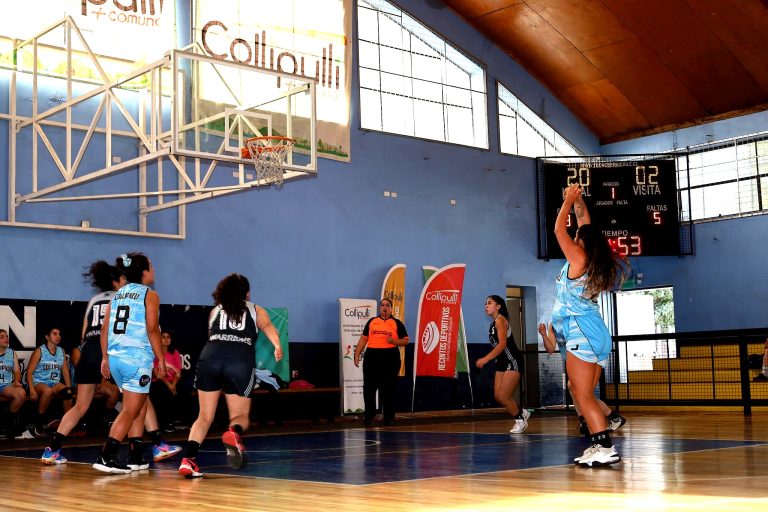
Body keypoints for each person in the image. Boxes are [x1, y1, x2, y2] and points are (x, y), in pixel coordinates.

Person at [549, 184, 627, 467]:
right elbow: (585, 223)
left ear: (580, 240)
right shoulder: (590, 258)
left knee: (582, 394)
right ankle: (598, 443)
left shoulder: (579, 258)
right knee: (579, 389)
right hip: (595, 332)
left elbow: (559, 231)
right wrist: (579, 197)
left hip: (581, 331)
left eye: (578, 234)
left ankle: (604, 446)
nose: (575, 233)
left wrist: (568, 201)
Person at [178, 273, 283, 479]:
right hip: (239, 360)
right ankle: (233, 432)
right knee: (241, 416)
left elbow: (211, 336)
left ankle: (188, 460)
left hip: (210, 357)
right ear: (247, 293)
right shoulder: (255, 309)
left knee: (204, 416)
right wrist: (277, 346)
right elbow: (269, 328)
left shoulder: (216, 310)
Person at [41, 261, 123, 464]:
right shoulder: (121, 297)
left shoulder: (94, 300)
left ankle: (52, 449)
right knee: (137, 400)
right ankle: (150, 445)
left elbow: (84, 333)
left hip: (88, 351)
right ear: (115, 281)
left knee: (80, 406)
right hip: (109, 350)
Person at [93, 252, 166, 474]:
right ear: (144, 273)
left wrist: (105, 357)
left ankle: (135, 455)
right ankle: (107, 456)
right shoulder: (150, 295)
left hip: (115, 357)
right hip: (135, 358)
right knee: (130, 409)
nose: (154, 269)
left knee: (138, 405)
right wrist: (160, 358)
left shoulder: (117, 295)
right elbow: (152, 329)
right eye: (151, 266)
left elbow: (104, 329)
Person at [538, 323, 625, 435]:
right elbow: (550, 349)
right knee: (574, 388)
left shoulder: (575, 319)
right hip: (578, 360)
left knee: (583, 392)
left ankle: (606, 422)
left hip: (591, 356)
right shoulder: (553, 324)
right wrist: (544, 335)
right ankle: (588, 420)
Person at [476, 295, 530, 433]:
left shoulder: (501, 320)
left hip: (512, 360)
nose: (486, 306)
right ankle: (522, 412)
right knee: (498, 397)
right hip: (501, 361)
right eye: (485, 303)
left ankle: (520, 420)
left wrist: (485, 359)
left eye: (489, 303)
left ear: (498, 306)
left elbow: (502, 345)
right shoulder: (493, 323)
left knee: (504, 396)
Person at [353, 298, 409, 426]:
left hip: (390, 357)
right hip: (372, 356)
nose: (384, 307)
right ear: (379, 308)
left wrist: (394, 342)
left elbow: (405, 340)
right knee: (369, 388)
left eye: (387, 305)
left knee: (388, 389)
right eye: (382, 305)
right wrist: (357, 354)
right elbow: (363, 339)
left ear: (391, 308)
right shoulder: (372, 322)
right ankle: (369, 415)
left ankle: (389, 417)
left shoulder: (397, 323)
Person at [22, 327, 73, 439]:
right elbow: (29, 372)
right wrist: (31, 389)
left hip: (54, 383)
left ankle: (66, 426)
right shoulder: (40, 351)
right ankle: (38, 426)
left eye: (59, 334)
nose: (58, 336)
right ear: (47, 337)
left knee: (68, 393)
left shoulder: (61, 351)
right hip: (38, 382)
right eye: (54, 334)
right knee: (47, 391)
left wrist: (68, 387)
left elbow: (64, 370)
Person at [149, 329, 183, 432]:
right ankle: (164, 423)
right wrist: (169, 384)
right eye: (163, 337)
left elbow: (178, 372)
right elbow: (156, 373)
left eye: (168, 337)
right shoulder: (154, 353)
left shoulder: (175, 353)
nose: (166, 339)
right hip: (159, 382)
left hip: (172, 382)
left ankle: (178, 421)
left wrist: (173, 384)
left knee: (183, 389)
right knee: (162, 390)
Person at [0, 329, 26, 437]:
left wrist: (16, 381)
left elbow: (16, 371)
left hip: (6, 386)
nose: (6, 338)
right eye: (2, 336)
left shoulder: (12, 352)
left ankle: (8, 424)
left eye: (6, 336)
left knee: (21, 393)